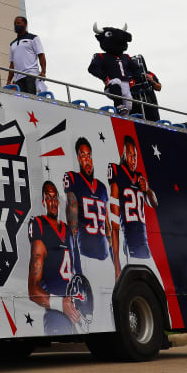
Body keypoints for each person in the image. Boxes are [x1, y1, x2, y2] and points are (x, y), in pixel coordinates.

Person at [64, 136, 113, 327]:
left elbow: (107, 222)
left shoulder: (101, 187)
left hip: (104, 256)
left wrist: (111, 251)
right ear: (78, 158)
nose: (86, 159)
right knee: (91, 312)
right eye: (82, 155)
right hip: (86, 255)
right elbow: (72, 211)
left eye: (89, 155)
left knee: (109, 308)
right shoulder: (73, 179)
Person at [28, 180, 81, 334]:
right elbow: (33, 289)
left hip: (75, 310)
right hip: (55, 314)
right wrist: (60, 303)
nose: (52, 202)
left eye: (54, 198)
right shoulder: (40, 229)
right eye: (48, 198)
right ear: (44, 202)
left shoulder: (68, 231)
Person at [107, 135, 158, 277]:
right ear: (123, 153)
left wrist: (147, 188)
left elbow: (154, 203)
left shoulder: (140, 177)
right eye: (129, 154)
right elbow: (115, 225)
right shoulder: (117, 172)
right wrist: (117, 266)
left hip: (144, 245)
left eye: (134, 156)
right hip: (130, 246)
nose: (133, 160)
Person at [7, 15, 47, 94]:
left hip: (31, 75)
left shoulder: (33, 38)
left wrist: (43, 71)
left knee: (31, 98)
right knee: (21, 101)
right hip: (18, 78)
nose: (16, 25)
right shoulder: (12, 44)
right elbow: (12, 64)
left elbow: (41, 55)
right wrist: (8, 80)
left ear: (25, 25)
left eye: (18, 23)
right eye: (15, 24)